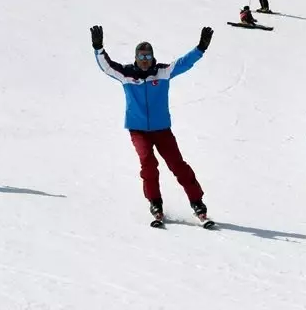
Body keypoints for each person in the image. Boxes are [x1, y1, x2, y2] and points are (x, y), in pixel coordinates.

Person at [92, 25, 214, 222]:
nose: (145, 61)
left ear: (153, 57)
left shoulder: (162, 72)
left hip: (162, 129)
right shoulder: (126, 74)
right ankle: (155, 201)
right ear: (136, 58)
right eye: (141, 57)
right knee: (148, 163)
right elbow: (107, 66)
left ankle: (197, 201)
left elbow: (184, 63)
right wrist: (98, 48)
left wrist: (201, 48)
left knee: (177, 165)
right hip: (138, 130)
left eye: (148, 57)